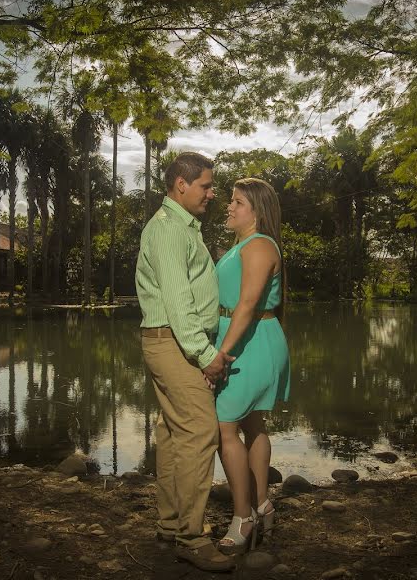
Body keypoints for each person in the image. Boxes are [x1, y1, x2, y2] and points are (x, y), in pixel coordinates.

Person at [135, 152, 236, 572]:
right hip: (176, 342)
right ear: (181, 184)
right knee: (199, 430)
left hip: (172, 341)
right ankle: (191, 539)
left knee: (175, 433)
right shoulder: (170, 231)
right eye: (206, 186)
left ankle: (171, 523)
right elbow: (178, 302)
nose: (213, 194)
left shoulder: (181, 229)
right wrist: (206, 354)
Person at [211, 177, 290, 555]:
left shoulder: (259, 245)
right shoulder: (242, 245)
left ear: (256, 211)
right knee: (252, 423)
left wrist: (221, 354)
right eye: (230, 201)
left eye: (237, 202)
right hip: (245, 337)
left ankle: (242, 516)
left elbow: (247, 306)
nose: (229, 206)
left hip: (250, 342)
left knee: (224, 427)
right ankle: (262, 504)